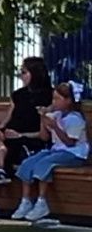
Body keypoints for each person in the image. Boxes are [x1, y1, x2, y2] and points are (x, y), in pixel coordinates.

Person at [0, 57, 53, 218]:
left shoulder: (50, 96)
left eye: (24, 72)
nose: (21, 76)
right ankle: (0, 171)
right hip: (11, 137)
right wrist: (0, 131)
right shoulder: (17, 95)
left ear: (35, 73)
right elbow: (6, 120)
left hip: (30, 139)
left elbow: (45, 133)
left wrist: (20, 135)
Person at [10, 81, 88, 222]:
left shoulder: (75, 119)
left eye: (57, 99)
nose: (54, 102)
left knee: (45, 163)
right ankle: (26, 201)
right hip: (56, 150)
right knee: (28, 162)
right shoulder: (56, 115)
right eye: (53, 98)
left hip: (75, 154)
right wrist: (43, 118)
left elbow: (70, 143)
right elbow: (44, 137)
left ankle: (42, 201)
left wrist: (55, 127)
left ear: (68, 101)